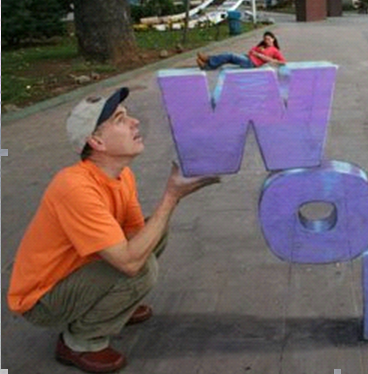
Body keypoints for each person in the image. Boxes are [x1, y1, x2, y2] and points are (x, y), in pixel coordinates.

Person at [7, 87, 220, 373]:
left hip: (78, 270)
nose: (135, 122)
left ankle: (111, 306)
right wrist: (171, 197)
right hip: (42, 298)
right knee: (141, 270)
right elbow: (130, 263)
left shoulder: (121, 175)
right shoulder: (75, 187)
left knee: (154, 233)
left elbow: (136, 234)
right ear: (96, 141)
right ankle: (79, 341)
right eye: (120, 119)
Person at [197, 30, 286, 70]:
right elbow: (251, 51)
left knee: (230, 55)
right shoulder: (262, 45)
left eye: (268, 39)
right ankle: (208, 65)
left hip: (251, 63)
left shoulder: (275, 50)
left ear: (273, 39)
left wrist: (263, 57)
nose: (266, 41)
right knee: (228, 57)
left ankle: (208, 59)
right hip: (248, 57)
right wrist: (257, 51)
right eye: (265, 39)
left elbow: (283, 62)